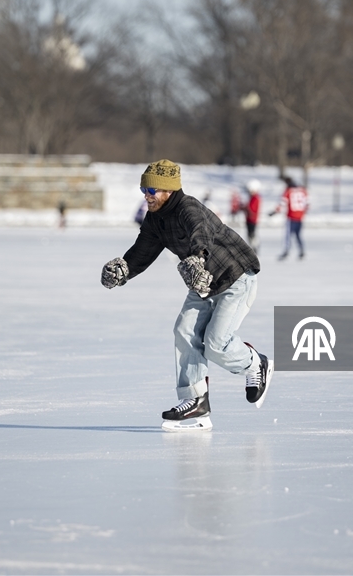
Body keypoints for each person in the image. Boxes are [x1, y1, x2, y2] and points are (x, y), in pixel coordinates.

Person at [101, 160, 273, 432]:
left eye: (152, 189)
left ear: (168, 190)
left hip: (235, 277)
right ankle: (195, 401)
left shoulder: (188, 208)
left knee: (216, 344)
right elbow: (143, 251)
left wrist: (197, 258)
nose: (146, 194)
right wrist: (124, 269)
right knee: (183, 331)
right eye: (143, 188)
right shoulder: (155, 219)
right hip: (202, 283)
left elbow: (200, 233)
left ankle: (255, 362)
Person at [273, 176, 307, 260]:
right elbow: (307, 203)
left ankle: (286, 251)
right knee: (298, 235)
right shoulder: (302, 190)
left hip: (291, 216)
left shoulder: (288, 191)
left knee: (288, 235)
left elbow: (283, 202)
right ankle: (301, 250)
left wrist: (276, 211)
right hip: (300, 216)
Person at [244, 180, 262, 253]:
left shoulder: (255, 198)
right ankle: (252, 247)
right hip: (249, 219)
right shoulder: (252, 197)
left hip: (252, 219)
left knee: (252, 234)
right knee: (249, 234)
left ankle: (255, 248)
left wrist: (245, 208)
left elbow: (251, 209)